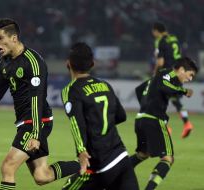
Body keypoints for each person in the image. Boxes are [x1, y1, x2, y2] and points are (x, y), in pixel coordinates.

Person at [0, 18, 79, 190]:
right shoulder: (4, 62)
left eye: (0, 38)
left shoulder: (33, 62)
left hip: (37, 121)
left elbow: (37, 97)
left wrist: (36, 133)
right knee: (42, 176)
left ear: (14, 38)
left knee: (8, 167)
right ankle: (86, 165)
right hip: (26, 122)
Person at [60, 42, 139, 190]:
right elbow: (121, 116)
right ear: (93, 64)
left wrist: (81, 151)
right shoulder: (105, 85)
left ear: (68, 64)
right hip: (122, 158)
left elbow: (77, 124)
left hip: (99, 163)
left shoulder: (71, 90)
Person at [130, 57, 198, 190]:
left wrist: (146, 107)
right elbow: (164, 86)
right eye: (190, 75)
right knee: (168, 158)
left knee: (143, 154)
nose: (190, 79)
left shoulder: (158, 77)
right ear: (182, 69)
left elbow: (139, 90)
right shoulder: (167, 74)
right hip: (154, 120)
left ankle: (112, 175)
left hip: (141, 119)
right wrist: (183, 91)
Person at [152, 21, 193, 138]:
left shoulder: (160, 41)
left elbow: (160, 62)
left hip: (168, 73)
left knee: (156, 99)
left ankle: (166, 128)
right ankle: (187, 123)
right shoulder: (174, 38)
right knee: (175, 100)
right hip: (180, 72)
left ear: (156, 31)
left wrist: (155, 73)